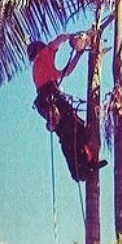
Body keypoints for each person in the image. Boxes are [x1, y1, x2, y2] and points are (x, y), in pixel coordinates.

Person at [27, 32, 107, 182]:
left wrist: (79, 53)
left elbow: (67, 71)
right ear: (40, 49)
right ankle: (82, 168)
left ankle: (82, 167)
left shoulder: (41, 68)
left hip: (48, 102)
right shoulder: (43, 55)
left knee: (70, 135)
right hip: (53, 100)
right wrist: (73, 38)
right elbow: (58, 40)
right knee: (75, 130)